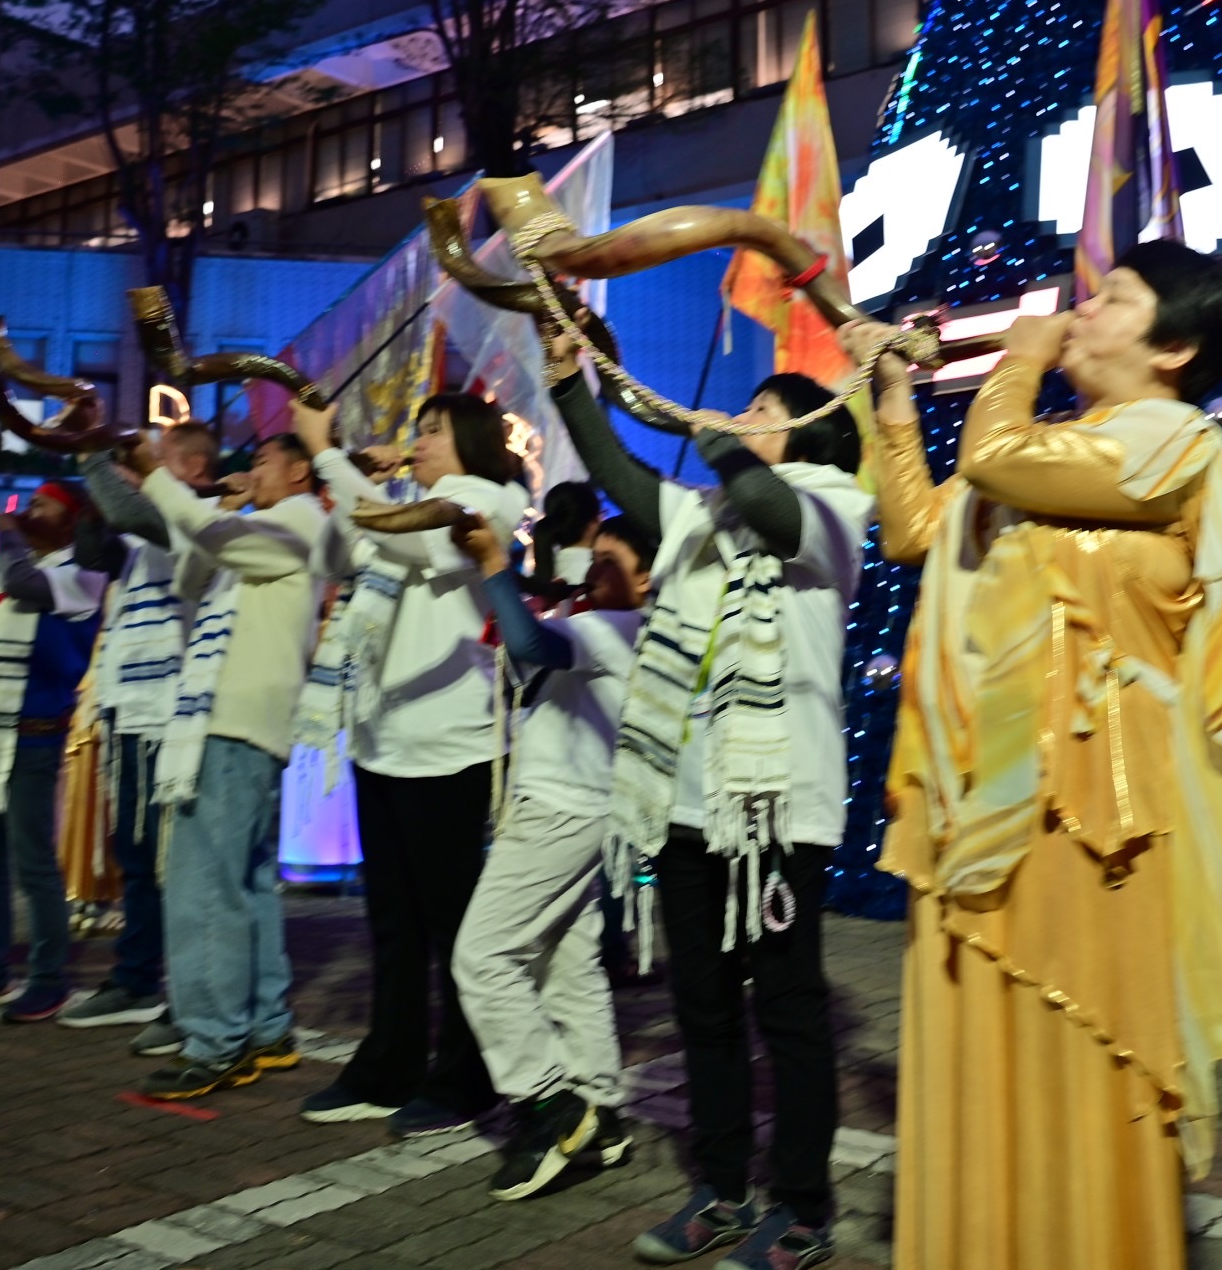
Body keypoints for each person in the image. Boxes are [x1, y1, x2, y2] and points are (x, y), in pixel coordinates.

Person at [848, 240, 1222, 1270]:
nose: (1081, 310)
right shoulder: (1054, 451)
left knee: (1086, 1043)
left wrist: (1018, 358)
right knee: (976, 1040)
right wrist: (893, 405)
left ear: (1173, 349)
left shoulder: (1177, 442)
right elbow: (916, 532)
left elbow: (997, 459)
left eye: (1113, 298)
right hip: (979, 794)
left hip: (1097, 813)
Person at [546, 334, 873, 1270]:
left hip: (774, 811)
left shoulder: (832, 505)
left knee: (789, 1014)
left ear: (811, 434)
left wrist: (711, 435)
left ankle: (803, 1208)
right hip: (684, 804)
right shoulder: (704, 510)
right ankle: (722, 1191)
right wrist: (571, 383)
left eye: (763, 411)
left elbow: (769, 504)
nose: (740, 416)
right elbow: (621, 471)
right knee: (702, 1008)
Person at [290, 390, 527, 1136]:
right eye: (417, 430)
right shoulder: (398, 502)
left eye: (433, 431)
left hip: (448, 747)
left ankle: (466, 1078)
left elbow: (415, 543)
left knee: (454, 926)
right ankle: (387, 1066)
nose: (417, 443)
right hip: (381, 739)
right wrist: (349, 483)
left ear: (472, 441)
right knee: (392, 922)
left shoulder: (487, 500)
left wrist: (325, 454)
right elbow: (341, 553)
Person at [108, 430, 332, 1100]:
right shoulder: (256, 531)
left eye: (261, 461)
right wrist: (222, 510)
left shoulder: (300, 517)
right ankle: (264, 1027)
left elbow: (211, 541)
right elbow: (189, 575)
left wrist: (158, 478)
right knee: (245, 884)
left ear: (299, 472)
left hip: (231, 722)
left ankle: (214, 1041)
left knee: (204, 887)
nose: (249, 471)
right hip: (235, 724)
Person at [450, 506, 653, 1200]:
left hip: (559, 808)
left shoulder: (617, 627)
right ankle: (601, 1105)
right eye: (592, 559)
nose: (593, 571)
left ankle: (549, 1101)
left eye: (610, 562)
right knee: (568, 963)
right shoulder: (610, 624)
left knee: (482, 955)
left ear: (647, 579)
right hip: (581, 805)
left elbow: (528, 641)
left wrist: (494, 565)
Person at [0, 479, 115, 1022]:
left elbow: (18, 581)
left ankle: (49, 979)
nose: (29, 511)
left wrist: (4, 530)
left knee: (33, 863)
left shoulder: (82, 574)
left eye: (42, 505)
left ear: (72, 520)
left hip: (31, 735)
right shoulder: (16, 563)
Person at [59, 419, 223, 1033]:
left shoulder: (200, 516)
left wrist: (97, 462)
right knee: (135, 854)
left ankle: (185, 988)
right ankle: (136, 977)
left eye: (158, 459)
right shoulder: (150, 521)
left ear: (195, 469)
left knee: (170, 859)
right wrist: (100, 484)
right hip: (132, 711)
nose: (144, 470)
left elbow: (133, 515)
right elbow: (92, 551)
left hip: (171, 716)